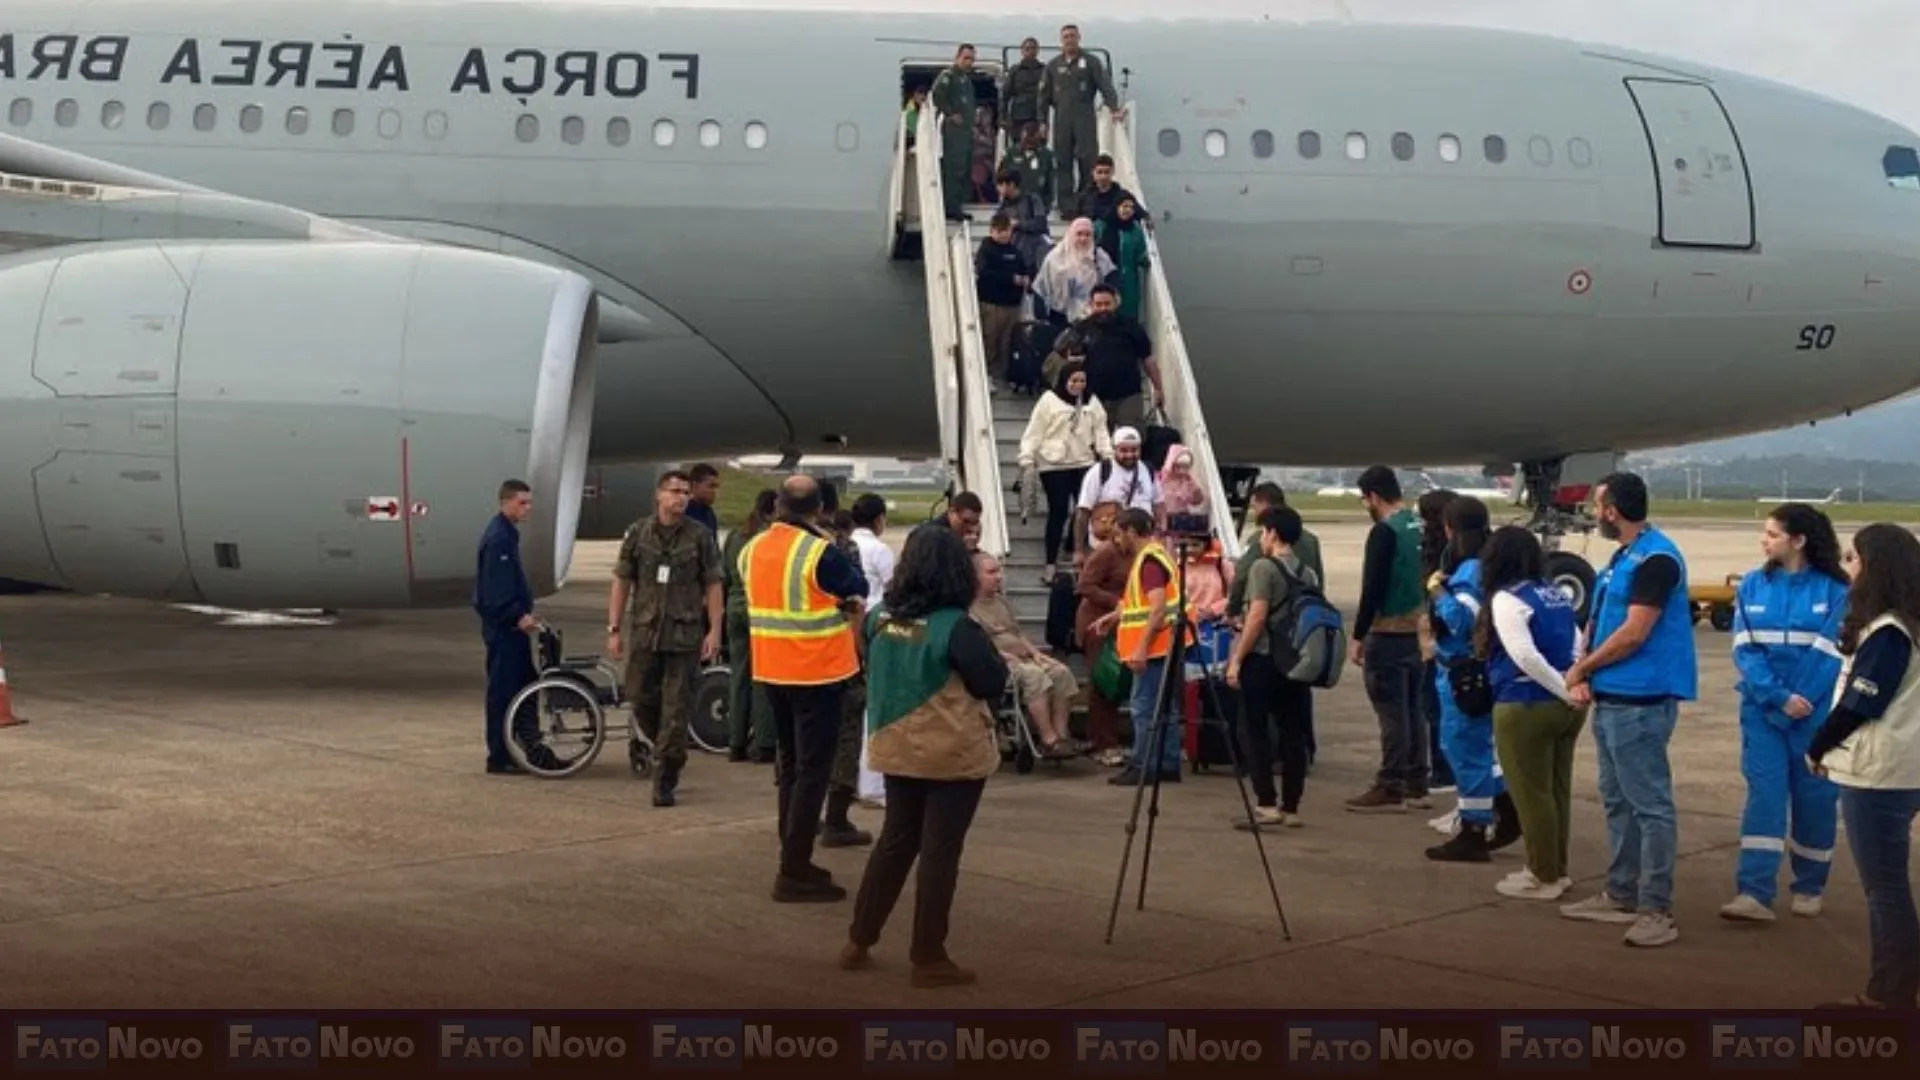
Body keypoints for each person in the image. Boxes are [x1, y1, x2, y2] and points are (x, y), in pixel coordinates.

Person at [840, 524, 1008, 989]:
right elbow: (990, 682)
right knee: (939, 852)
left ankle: (859, 938)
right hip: (951, 752)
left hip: (896, 747)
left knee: (895, 841)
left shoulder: (880, 619)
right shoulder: (957, 626)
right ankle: (928, 954)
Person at [1561, 472, 1697, 949]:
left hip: (1641, 700)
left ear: (1612, 510)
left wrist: (1583, 669)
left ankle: (1656, 908)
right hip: (1615, 696)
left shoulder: (1655, 559)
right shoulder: (1625, 557)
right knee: (1617, 799)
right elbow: (1604, 620)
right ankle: (1621, 893)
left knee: (1650, 806)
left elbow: (1635, 633)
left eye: (1598, 506)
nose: (1594, 514)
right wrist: (1587, 667)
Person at [741, 474, 870, 903]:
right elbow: (858, 586)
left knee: (792, 769)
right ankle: (793, 869)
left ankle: (791, 856)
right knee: (814, 773)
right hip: (816, 674)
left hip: (771, 671)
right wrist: (823, 537)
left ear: (778, 505)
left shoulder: (752, 548)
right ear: (820, 510)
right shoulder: (818, 551)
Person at [1807, 523, 1920, 1009]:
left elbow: (1860, 703)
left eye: (1854, 559)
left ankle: (1889, 996)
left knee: (1885, 888)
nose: (1847, 568)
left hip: (1879, 775)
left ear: (1876, 567)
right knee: (1889, 886)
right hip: (1904, 768)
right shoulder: (1909, 625)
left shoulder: (1888, 632)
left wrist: (1818, 747)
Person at [1722, 504, 1852, 924]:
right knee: (1765, 796)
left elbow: (1832, 653)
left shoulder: (1836, 591)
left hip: (1813, 714)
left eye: (1772, 534)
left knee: (1815, 798)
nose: (1764, 540)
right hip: (1764, 711)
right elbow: (1745, 649)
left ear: (1798, 540)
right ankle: (1754, 892)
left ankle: (1810, 884)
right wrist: (1778, 698)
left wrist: (1800, 700)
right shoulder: (1753, 587)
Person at [1478, 526, 1588, 901]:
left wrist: (1561, 689)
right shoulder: (1554, 593)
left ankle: (1543, 874)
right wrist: (1574, 686)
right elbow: (1577, 642)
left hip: (1525, 703)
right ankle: (1557, 868)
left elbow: (1523, 655)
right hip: (1567, 707)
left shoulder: (1508, 599)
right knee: (1557, 790)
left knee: (1531, 792)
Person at [607, 470, 724, 807]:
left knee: (676, 711)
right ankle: (663, 744)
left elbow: (713, 584)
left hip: (684, 636)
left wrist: (713, 630)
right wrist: (613, 629)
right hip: (646, 633)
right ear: (659, 495)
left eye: (686, 492)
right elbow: (622, 581)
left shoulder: (700, 536)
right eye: (674, 491)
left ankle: (665, 778)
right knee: (639, 696)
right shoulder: (639, 533)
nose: (681, 497)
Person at [1424, 496, 1520, 862]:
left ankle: (1477, 826)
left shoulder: (1466, 572)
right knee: (1468, 748)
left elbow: (1463, 620)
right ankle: (1500, 807)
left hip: (1461, 671)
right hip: (1472, 669)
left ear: (1451, 529)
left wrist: (1436, 591)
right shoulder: (1486, 567)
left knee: (1466, 750)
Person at [1346, 466, 1432, 813]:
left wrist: (1358, 634)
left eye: (1365, 499)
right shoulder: (1419, 525)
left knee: (1391, 712)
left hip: (1389, 630)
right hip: (1419, 630)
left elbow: (1373, 586)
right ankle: (1417, 780)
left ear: (1374, 497)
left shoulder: (1384, 532)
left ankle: (1390, 782)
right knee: (1414, 709)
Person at [1225, 506, 1318, 827]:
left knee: (1254, 730)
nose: (1261, 538)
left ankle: (1266, 802)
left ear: (1273, 534)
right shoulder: (1308, 573)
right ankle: (1292, 806)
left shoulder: (1263, 569)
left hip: (1264, 658)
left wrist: (1237, 658)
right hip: (1295, 661)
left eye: (1263, 531)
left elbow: (1257, 617)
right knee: (1293, 734)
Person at [1092, 509, 1192, 786]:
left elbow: (1157, 609)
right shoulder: (1160, 555)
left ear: (1131, 532)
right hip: (1171, 643)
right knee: (1166, 708)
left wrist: (1140, 648)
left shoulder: (1148, 562)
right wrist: (1116, 615)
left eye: (1118, 535)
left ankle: (1143, 764)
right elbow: (1144, 604)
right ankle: (1167, 763)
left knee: (1143, 707)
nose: (1117, 542)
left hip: (1156, 648)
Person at [474, 479, 552, 775]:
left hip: (511, 629)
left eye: (529, 502)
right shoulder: (499, 539)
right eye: (522, 502)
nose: (527, 508)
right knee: (504, 691)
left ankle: (523, 744)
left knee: (524, 684)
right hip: (504, 630)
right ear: (505, 502)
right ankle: (499, 754)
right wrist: (517, 615)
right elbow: (495, 590)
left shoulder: (508, 535)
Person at [970, 552, 1079, 756]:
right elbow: (977, 644)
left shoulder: (1002, 603)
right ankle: (1048, 738)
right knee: (1034, 676)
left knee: (1060, 672)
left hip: (1023, 657)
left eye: (999, 571)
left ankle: (1061, 736)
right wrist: (1002, 655)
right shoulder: (969, 608)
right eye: (992, 572)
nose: (999, 576)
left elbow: (1018, 633)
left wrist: (1036, 654)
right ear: (975, 577)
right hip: (1001, 663)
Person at [1018, 363, 1111, 582]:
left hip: (1083, 462)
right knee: (1058, 511)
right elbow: (1035, 431)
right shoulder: (1049, 400)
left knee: (1083, 509)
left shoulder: (1092, 402)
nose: (1078, 386)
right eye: (1074, 381)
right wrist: (1027, 457)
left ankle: (1072, 547)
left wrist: (1107, 455)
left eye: (1082, 381)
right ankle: (1050, 563)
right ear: (1065, 380)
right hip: (1053, 464)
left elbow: (1101, 431)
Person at [1039, 23, 1123, 216]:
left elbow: (1105, 86)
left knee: (1087, 159)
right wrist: (1042, 121)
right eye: (1066, 36)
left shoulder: (1091, 62)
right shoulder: (1053, 66)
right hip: (1061, 118)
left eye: (1072, 36)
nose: (1069, 40)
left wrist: (1114, 108)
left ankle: (1086, 202)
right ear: (1061, 40)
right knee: (1063, 161)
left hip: (1084, 116)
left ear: (1079, 38)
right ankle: (1066, 205)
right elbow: (1043, 97)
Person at [723, 490, 780, 763]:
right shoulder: (769, 540)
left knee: (738, 676)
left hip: (734, 606)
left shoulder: (736, 536)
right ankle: (765, 742)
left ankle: (735, 742)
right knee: (763, 677)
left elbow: (723, 574)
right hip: (759, 607)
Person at [849, 493, 896, 808]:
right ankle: (872, 784)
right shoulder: (880, 549)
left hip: (846, 630)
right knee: (874, 706)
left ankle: (848, 780)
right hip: (876, 628)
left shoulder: (845, 545)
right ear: (879, 519)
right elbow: (893, 590)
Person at [1076, 501, 1131, 767]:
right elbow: (1085, 585)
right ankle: (1103, 742)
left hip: (1122, 624)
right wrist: (1114, 602)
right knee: (1102, 681)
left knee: (1115, 681)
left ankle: (1107, 738)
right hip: (1097, 623)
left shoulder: (1132, 553)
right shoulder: (1106, 553)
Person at [1066, 285, 1161, 432]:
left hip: (1129, 395)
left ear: (1115, 304)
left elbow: (1148, 360)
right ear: (1091, 305)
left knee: (1132, 440)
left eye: (1107, 304)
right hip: (1095, 397)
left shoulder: (1131, 326)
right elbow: (1065, 354)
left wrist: (1158, 388)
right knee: (1097, 445)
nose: (1103, 308)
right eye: (1099, 304)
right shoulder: (1082, 328)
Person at [1417, 489, 1460, 809]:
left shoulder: (1440, 555)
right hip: (1445, 638)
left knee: (1436, 707)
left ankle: (1445, 770)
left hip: (1441, 640)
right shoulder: (1459, 553)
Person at [1072, 426, 1159, 563]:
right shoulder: (1099, 471)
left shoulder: (1148, 471)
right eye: (1123, 450)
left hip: (1141, 547)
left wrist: (1161, 536)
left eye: (1134, 450)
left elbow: (1159, 505)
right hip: (1105, 548)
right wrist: (1079, 550)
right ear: (1114, 449)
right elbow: (1083, 511)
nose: (1129, 455)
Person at [974, 213, 1031, 389]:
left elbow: (1024, 269)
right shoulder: (986, 249)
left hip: (1013, 305)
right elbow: (984, 273)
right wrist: (1010, 279)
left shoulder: (1015, 251)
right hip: (992, 303)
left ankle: (1005, 375)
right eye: (999, 231)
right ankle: (988, 375)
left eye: (1005, 230)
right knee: (990, 339)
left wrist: (1025, 279)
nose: (1003, 235)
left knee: (1008, 342)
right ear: (991, 231)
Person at [1033, 218, 1115, 328]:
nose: (1083, 239)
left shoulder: (1100, 257)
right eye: (1079, 234)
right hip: (1058, 317)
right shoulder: (1054, 258)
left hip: (1093, 317)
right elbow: (1041, 287)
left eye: (1088, 235)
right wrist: (1041, 315)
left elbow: (1111, 283)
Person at [929, 45, 977, 222]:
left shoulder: (966, 80)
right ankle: (951, 207)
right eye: (966, 58)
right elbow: (937, 95)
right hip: (953, 131)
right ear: (957, 57)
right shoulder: (948, 76)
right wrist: (950, 113)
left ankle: (958, 204)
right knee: (953, 168)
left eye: (971, 59)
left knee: (963, 168)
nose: (969, 62)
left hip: (965, 131)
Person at [1094, 195, 1150, 322]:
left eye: (1131, 207)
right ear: (1116, 207)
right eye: (1124, 206)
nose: (1128, 210)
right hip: (1103, 276)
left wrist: (1143, 260)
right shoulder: (1101, 226)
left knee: (1127, 314)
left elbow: (1140, 251)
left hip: (1128, 279)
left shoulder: (1135, 229)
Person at [994, 169, 1053, 287]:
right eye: (999, 185)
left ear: (1011, 185)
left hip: (1036, 255)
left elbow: (1041, 224)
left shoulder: (1032, 200)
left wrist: (1019, 224)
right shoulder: (1001, 210)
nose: (1001, 189)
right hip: (1015, 258)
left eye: (1004, 184)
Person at [1000, 37, 1046, 151]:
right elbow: (1005, 95)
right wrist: (1002, 117)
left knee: (1039, 149)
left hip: (1038, 117)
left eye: (1033, 48)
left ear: (1037, 51)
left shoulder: (1044, 70)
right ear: (1022, 51)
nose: (1030, 51)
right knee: (1017, 149)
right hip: (1018, 117)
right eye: (1027, 48)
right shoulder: (1015, 71)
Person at [1083, 155, 1152, 230]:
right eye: (1099, 172)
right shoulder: (1085, 197)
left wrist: (1147, 221)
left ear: (1113, 172)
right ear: (1093, 172)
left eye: (1106, 172)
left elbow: (1142, 215)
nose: (1103, 176)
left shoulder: (1124, 196)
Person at [1011, 122, 1057, 223]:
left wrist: (1047, 205)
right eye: (1026, 138)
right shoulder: (1012, 154)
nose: (1028, 141)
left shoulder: (1047, 156)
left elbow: (1051, 182)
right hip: (1015, 205)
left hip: (1038, 205)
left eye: (1032, 137)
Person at [686, 463, 721, 534]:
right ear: (695, 485)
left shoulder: (709, 513)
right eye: (711, 486)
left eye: (716, 487)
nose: (714, 491)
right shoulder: (683, 513)